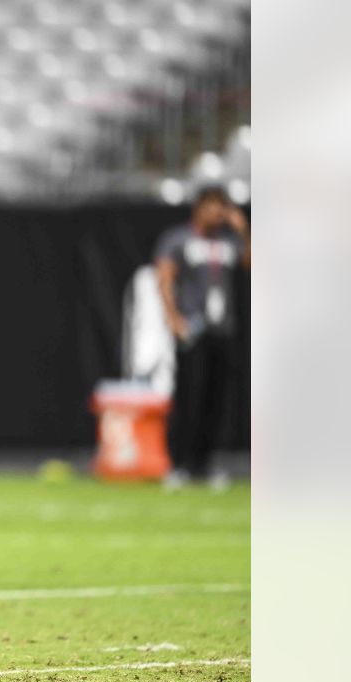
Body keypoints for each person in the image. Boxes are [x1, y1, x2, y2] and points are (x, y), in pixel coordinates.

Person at [156, 185, 251, 492]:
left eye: (222, 207)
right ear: (199, 207)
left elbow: (250, 264)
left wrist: (244, 231)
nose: (217, 213)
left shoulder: (227, 242)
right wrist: (173, 318)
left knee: (216, 400)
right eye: (212, 206)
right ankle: (178, 464)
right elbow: (165, 276)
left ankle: (204, 464)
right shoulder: (179, 238)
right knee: (189, 397)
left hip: (221, 329)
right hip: (193, 328)